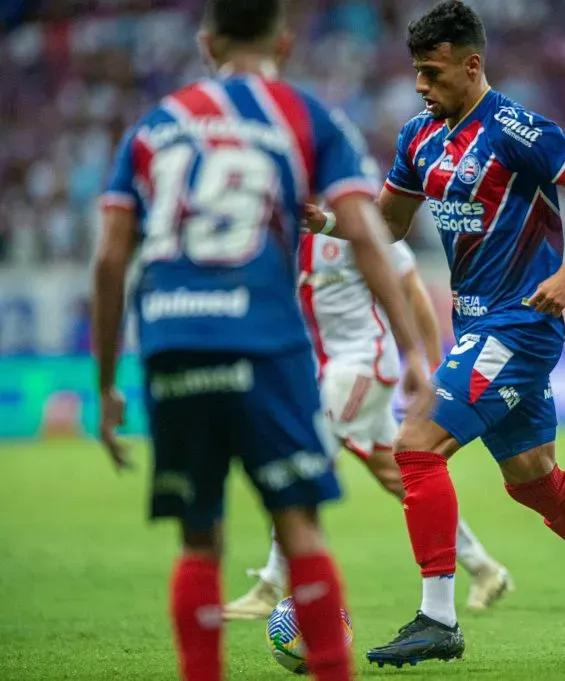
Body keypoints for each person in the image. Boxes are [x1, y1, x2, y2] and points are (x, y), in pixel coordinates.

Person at [91, 1, 432, 679]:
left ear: (206, 43)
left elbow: (108, 258)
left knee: (198, 538)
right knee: (299, 523)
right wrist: (415, 351)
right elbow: (366, 232)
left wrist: (104, 383)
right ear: (283, 38)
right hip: (264, 338)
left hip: (172, 338)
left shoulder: (157, 124)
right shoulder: (306, 117)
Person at [365, 0, 565, 668]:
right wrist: (328, 220)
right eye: (416, 74)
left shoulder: (515, 128)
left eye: (432, 72)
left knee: (416, 444)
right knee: (533, 478)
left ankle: (438, 616)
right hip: (477, 323)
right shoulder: (418, 138)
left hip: (522, 322)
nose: (421, 86)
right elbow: (386, 224)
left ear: (471, 63)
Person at [224, 205, 512, 621]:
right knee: (394, 473)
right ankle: (485, 568)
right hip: (330, 369)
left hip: (363, 365)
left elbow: (412, 292)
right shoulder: (281, 234)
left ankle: (272, 584)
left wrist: (433, 369)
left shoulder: (355, 220)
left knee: (300, 454)